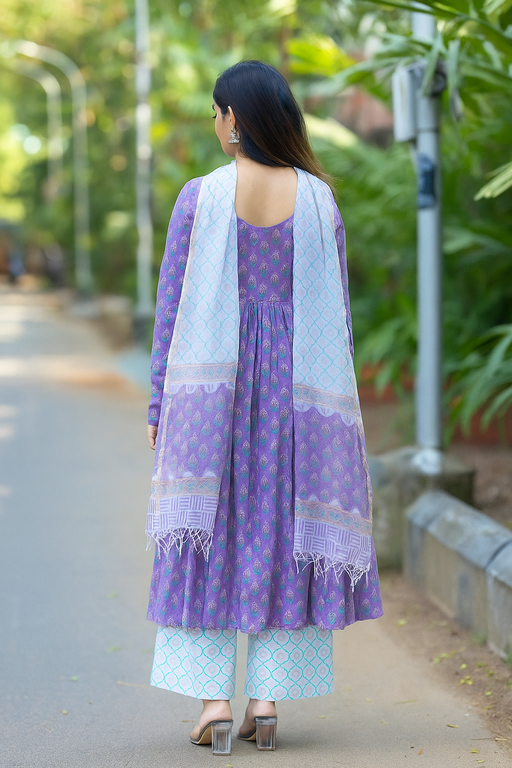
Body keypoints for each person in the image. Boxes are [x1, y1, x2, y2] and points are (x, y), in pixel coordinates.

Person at [145, 60, 383, 755]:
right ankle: (268, 701)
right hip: (298, 392)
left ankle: (214, 703)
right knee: (283, 530)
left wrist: (159, 400)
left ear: (235, 119)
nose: (215, 124)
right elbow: (338, 316)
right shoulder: (319, 201)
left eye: (217, 112)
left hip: (209, 387)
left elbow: (171, 309)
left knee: (206, 531)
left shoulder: (200, 197)